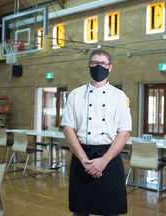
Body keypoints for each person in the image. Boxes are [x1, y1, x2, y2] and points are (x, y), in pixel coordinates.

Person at [61, 49, 132, 216]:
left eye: (103, 63)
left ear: (110, 67)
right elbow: (67, 128)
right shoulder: (75, 95)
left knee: (111, 211)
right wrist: (85, 161)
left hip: (110, 157)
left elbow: (124, 133)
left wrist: (104, 161)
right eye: (94, 63)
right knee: (80, 212)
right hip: (81, 156)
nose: (99, 66)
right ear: (88, 66)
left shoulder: (120, 96)